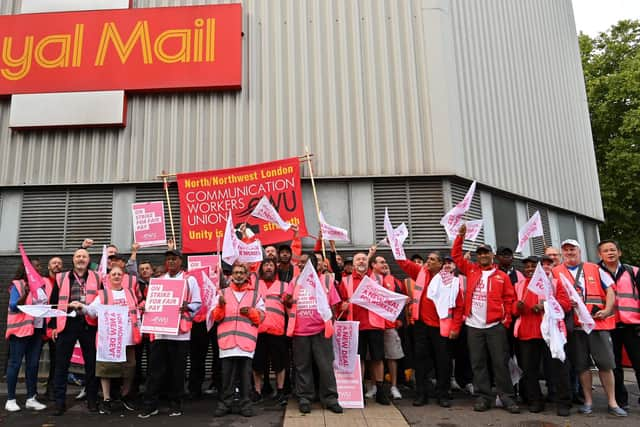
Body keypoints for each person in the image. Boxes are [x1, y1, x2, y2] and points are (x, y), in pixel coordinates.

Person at [552, 239, 627, 417]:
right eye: (566, 250)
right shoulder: (556, 272)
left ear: (579, 251)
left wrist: (608, 309)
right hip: (575, 326)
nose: (570, 252)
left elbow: (610, 289)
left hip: (597, 324)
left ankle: (612, 402)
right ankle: (588, 401)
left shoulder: (594, 268)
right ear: (562, 253)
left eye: (573, 249)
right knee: (582, 366)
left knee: (605, 364)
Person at [452, 224, 519, 414]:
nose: (482, 256)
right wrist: (460, 236)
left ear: (492, 255)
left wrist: (505, 321)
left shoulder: (502, 276)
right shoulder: (471, 270)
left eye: (485, 253)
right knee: (478, 362)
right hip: (474, 325)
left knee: (500, 362)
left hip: (495, 326)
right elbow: (456, 256)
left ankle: (507, 396)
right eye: (479, 253)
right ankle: (484, 396)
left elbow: (510, 299)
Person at [138, 248, 201, 418]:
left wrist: (187, 307)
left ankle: (176, 404)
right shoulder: (157, 281)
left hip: (180, 333)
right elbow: (150, 301)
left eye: (174, 259)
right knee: (155, 371)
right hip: (160, 332)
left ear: (181, 261)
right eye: (168, 259)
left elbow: (198, 303)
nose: (171, 262)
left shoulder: (190, 280)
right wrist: (145, 306)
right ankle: (150, 405)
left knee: (177, 371)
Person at [395, 251, 464, 407]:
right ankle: (421, 394)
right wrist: (395, 243)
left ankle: (443, 394)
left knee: (443, 362)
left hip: (441, 327)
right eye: (428, 259)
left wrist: (456, 327)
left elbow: (459, 306)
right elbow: (403, 262)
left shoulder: (450, 281)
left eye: (432, 259)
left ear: (440, 264)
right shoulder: (420, 272)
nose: (428, 261)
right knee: (420, 362)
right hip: (421, 326)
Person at [71, 266, 141, 414]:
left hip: (128, 337)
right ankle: (107, 399)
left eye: (119, 274)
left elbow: (136, 313)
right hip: (110, 339)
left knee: (130, 367)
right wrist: (81, 307)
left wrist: (139, 329)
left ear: (123, 277)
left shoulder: (130, 293)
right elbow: (92, 312)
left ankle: (124, 396)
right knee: (106, 368)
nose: (116, 276)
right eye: (113, 274)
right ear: (109, 278)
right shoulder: (103, 295)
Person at [512, 256, 572, 416]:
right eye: (527, 267)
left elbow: (566, 305)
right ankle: (535, 401)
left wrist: (545, 306)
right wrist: (517, 307)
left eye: (533, 266)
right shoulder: (518, 285)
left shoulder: (554, 283)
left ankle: (564, 402)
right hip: (527, 333)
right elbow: (513, 309)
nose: (530, 269)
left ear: (540, 268)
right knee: (529, 370)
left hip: (551, 334)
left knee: (558, 369)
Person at [284, 253, 343, 414]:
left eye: (304, 263)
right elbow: (287, 301)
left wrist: (331, 322)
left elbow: (334, 305)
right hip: (299, 331)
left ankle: (330, 399)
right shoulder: (295, 281)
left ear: (314, 264)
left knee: (325, 367)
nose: (300, 265)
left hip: (321, 331)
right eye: (299, 263)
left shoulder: (325, 280)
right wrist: (287, 299)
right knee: (302, 367)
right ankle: (304, 398)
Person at [49, 248, 101, 415]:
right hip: (67, 323)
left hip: (89, 324)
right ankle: (59, 403)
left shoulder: (97, 277)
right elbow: (54, 303)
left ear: (88, 260)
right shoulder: (62, 277)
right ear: (73, 260)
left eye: (84, 256)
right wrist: (52, 327)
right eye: (78, 256)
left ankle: (92, 400)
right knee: (61, 365)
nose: (81, 259)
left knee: (92, 364)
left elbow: (102, 300)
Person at [212, 262, 265, 417]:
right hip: (227, 342)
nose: (239, 275)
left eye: (242, 272)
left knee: (245, 377)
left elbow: (261, 316)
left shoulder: (255, 294)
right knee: (227, 377)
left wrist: (250, 312)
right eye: (236, 272)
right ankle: (225, 404)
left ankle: (245, 405)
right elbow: (216, 317)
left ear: (247, 275)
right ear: (231, 275)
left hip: (246, 343)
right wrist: (220, 307)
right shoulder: (222, 293)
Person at [339, 250, 390, 405]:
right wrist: (343, 306)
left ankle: (381, 391)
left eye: (363, 259)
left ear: (368, 262)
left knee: (378, 358)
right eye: (358, 260)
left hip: (375, 324)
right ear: (353, 264)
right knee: (358, 359)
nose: (361, 261)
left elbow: (388, 300)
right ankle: (359, 392)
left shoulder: (378, 279)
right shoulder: (345, 281)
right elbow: (339, 302)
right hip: (355, 326)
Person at [597, 239, 640, 410]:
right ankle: (620, 401)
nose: (610, 253)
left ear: (619, 252)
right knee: (613, 366)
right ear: (600, 255)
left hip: (633, 325)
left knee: (639, 363)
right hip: (609, 325)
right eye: (605, 250)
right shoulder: (595, 272)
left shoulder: (633, 271)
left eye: (613, 249)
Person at [5, 262, 48, 412]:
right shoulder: (18, 284)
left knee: (33, 365)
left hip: (36, 330)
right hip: (20, 331)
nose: (38, 268)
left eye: (39, 266)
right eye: (34, 266)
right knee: (15, 364)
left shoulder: (42, 286)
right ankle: (10, 399)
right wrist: (27, 292)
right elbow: (13, 306)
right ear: (26, 269)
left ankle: (31, 398)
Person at [367, 252, 406, 401]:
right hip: (374, 324)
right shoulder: (370, 279)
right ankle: (374, 386)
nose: (384, 264)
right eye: (381, 262)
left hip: (390, 325)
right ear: (373, 265)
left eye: (385, 262)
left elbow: (400, 300)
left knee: (392, 357)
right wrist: (370, 253)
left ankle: (394, 386)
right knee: (374, 357)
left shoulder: (393, 280)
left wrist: (400, 319)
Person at [252, 259, 289, 405]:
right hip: (258, 330)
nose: (268, 268)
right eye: (265, 265)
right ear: (261, 269)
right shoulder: (254, 285)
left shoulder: (284, 286)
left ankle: (280, 391)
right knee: (257, 364)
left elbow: (290, 307)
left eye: (271, 265)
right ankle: (257, 391)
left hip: (277, 330)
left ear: (275, 269)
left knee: (279, 363)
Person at [44, 256, 63, 401]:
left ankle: (51, 390)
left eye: (59, 263)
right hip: (40, 325)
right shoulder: (41, 282)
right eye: (54, 263)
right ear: (49, 266)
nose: (57, 265)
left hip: (55, 325)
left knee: (56, 360)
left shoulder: (63, 281)